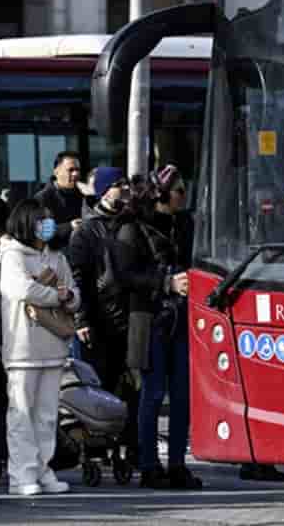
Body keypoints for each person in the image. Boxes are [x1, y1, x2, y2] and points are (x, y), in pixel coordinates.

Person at [112, 165, 202, 490]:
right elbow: (124, 276)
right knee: (151, 394)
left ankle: (177, 463)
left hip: (181, 318)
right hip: (149, 320)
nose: (184, 197)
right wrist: (166, 283)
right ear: (162, 194)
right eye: (179, 191)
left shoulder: (184, 223)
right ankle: (149, 465)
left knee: (182, 395)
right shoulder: (131, 228)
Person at [0, 199, 78, 496]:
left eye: (49, 219)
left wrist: (70, 297)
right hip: (23, 348)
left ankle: (44, 470)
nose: (48, 225)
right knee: (21, 414)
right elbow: (21, 289)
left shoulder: (57, 257)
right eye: (41, 219)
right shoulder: (13, 255)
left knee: (46, 416)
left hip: (53, 346)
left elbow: (74, 291)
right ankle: (21, 475)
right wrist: (58, 296)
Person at [67, 166, 140, 467]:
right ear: (104, 191)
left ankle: (129, 445)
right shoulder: (87, 230)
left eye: (125, 183)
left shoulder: (131, 223)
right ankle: (96, 449)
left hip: (130, 317)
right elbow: (78, 277)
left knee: (132, 386)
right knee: (100, 387)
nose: (124, 189)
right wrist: (81, 320)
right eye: (118, 184)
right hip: (99, 319)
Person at [33, 151, 84, 250]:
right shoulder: (43, 198)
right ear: (56, 172)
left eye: (77, 170)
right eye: (70, 170)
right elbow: (39, 231)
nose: (75, 174)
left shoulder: (83, 195)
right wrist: (70, 226)